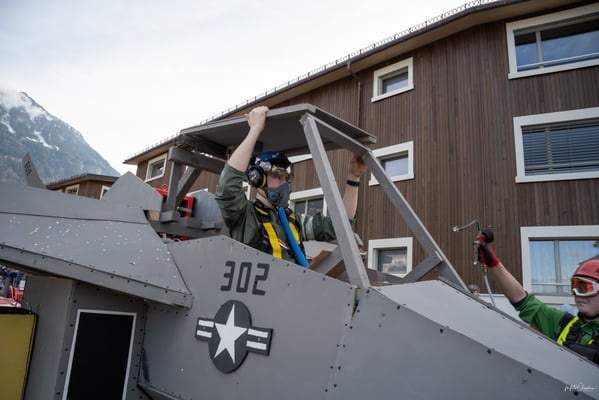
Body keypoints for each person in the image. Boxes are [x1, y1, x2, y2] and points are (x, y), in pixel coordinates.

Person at [215, 105, 366, 265]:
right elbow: (227, 188)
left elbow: (340, 226)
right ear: (257, 178)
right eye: (278, 175)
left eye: (286, 177)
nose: (284, 183)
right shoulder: (244, 216)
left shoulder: (293, 221)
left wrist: (353, 177)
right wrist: (255, 129)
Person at [476, 232, 599, 364]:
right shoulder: (566, 324)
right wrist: (494, 264)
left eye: (586, 287)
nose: (577, 294)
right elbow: (523, 301)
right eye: (574, 286)